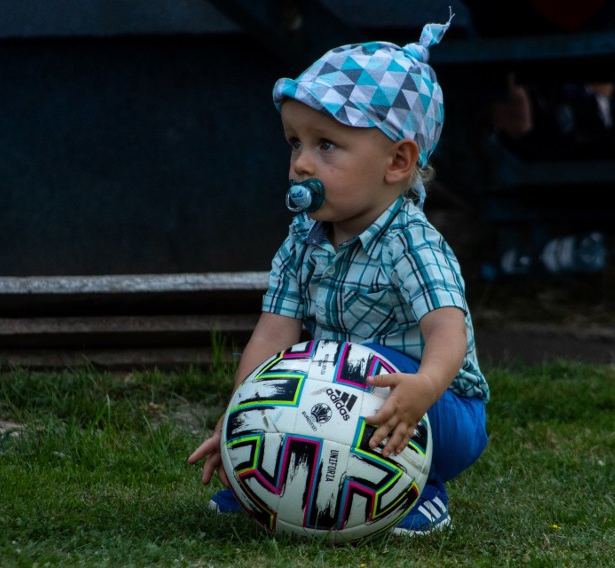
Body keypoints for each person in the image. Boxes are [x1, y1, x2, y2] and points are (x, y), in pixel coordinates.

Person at [187, 12, 490, 537]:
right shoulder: (301, 240)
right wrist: (242, 420)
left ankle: (422, 489)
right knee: (303, 374)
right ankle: (270, 486)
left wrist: (424, 386)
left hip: (438, 408)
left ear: (397, 161)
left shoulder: (412, 242)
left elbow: (449, 331)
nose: (301, 163)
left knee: (351, 374)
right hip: (346, 390)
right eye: (294, 143)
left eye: (325, 145)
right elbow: (273, 335)